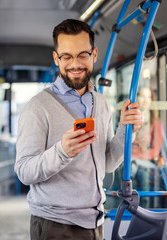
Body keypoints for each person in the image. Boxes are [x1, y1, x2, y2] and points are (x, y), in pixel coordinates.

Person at [14, 19, 143, 240]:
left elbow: (109, 162)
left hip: (95, 221)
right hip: (55, 223)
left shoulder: (101, 103)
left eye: (82, 54)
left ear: (94, 54)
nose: (75, 64)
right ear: (57, 59)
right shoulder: (38, 107)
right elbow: (24, 172)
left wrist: (127, 129)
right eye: (67, 56)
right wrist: (62, 151)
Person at [131, 87, 164, 207]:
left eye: (148, 97)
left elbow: (155, 151)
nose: (145, 100)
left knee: (140, 172)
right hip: (130, 161)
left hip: (145, 163)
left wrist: (137, 158)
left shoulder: (156, 122)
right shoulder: (131, 119)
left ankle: (144, 207)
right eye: (142, 96)